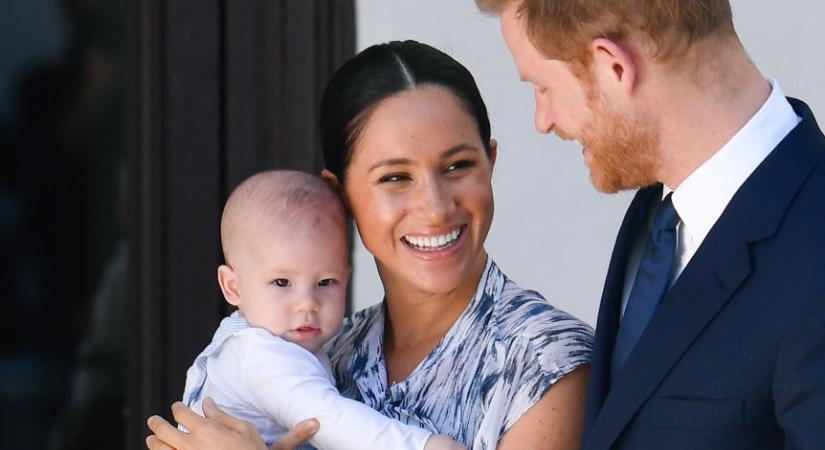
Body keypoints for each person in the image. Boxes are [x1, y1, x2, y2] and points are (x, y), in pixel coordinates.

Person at [146, 40, 594, 449]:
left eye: (458, 166)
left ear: (490, 163)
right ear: (340, 196)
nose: (435, 207)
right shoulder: (328, 351)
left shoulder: (544, 365)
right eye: (395, 177)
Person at [474, 0, 825, 449]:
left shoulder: (815, 257)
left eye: (543, 87)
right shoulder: (657, 213)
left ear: (614, 66)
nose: (544, 121)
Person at [176, 170, 465, 450]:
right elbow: (329, 420)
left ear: (346, 278)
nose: (308, 303)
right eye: (281, 282)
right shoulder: (261, 355)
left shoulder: (265, 342)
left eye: (326, 282)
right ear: (233, 287)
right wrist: (422, 445)